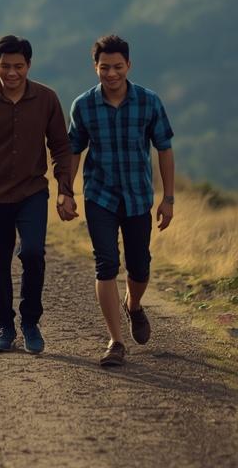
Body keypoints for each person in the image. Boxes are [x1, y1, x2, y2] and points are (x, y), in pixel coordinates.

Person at [0, 34, 79, 354]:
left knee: (33, 253)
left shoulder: (46, 99)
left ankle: (30, 323)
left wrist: (65, 191)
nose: (12, 73)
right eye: (6, 66)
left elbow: (61, 148)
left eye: (19, 66)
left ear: (29, 65)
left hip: (31, 192)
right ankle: (5, 326)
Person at [66, 34, 176, 367]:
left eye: (117, 67)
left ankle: (134, 305)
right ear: (95, 67)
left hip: (138, 196)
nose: (111, 73)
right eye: (104, 67)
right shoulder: (83, 106)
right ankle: (115, 341)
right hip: (99, 195)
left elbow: (164, 149)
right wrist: (65, 192)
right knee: (106, 265)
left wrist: (168, 198)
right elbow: (74, 150)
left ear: (128, 64)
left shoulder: (149, 102)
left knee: (140, 266)